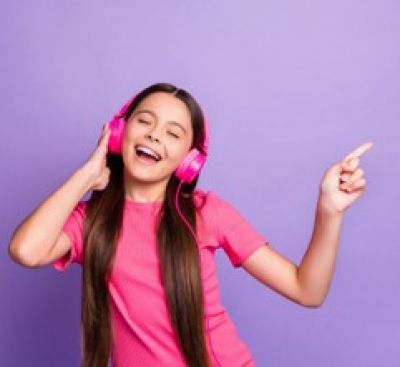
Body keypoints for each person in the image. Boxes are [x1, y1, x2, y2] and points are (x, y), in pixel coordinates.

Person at [8, 82, 373, 367]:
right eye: (144, 121)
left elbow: (306, 290)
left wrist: (329, 211)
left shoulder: (206, 213)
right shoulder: (90, 222)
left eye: (173, 132)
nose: (153, 135)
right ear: (118, 132)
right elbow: (25, 250)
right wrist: (87, 176)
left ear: (189, 161)